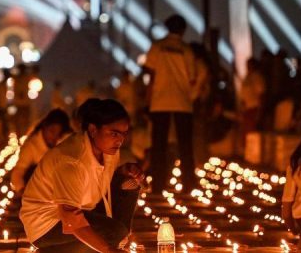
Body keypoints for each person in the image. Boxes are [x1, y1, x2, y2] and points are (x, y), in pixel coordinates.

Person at [20, 98, 143, 253]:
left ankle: (112, 241)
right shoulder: (71, 161)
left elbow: (99, 181)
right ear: (92, 130)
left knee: (129, 183)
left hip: (83, 208)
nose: (120, 140)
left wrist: (123, 172)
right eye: (114, 133)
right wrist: (107, 250)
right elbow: (71, 219)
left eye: (123, 134)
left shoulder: (109, 150)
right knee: (114, 233)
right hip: (47, 224)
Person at [142, 15, 197, 193]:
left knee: (159, 145)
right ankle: (188, 184)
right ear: (183, 30)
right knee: (185, 146)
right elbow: (192, 78)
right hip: (182, 102)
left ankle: (158, 185)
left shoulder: (157, 47)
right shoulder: (186, 50)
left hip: (160, 101)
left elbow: (150, 75)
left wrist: (148, 100)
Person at [11, 109, 72, 194]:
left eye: (58, 133)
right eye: (52, 131)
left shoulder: (61, 144)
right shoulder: (31, 146)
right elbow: (19, 171)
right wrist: (22, 191)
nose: (54, 137)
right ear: (45, 127)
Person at [239, 58, 266, 135]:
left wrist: (259, 113)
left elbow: (261, 95)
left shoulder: (257, 77)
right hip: (246, 111)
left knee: (252, 134)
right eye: (247, 65)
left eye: (250, 65)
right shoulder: (247, 77)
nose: (248, 67)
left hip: (254, 110)